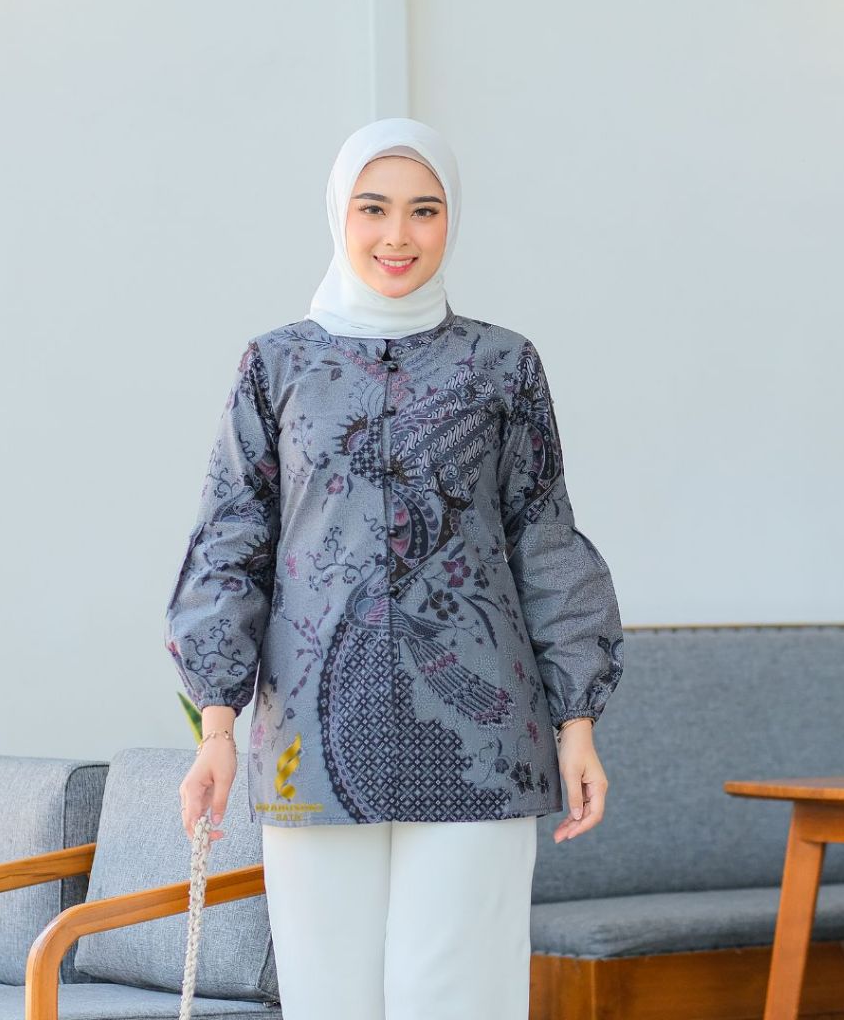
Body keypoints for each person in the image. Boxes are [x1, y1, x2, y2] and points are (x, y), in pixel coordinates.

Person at [167, 117, 625, 1020]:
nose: (398, 235)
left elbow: (544, 539)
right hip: (310, 737)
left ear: (452, 219)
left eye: (425, 210)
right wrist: (216, 728)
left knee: (455, 994)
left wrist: (578, 723)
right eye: (374, 208)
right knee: (327, 996)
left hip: (481, 739)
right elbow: (231, 541)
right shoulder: (277, 364)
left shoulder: (503, 365)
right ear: (339, 213)